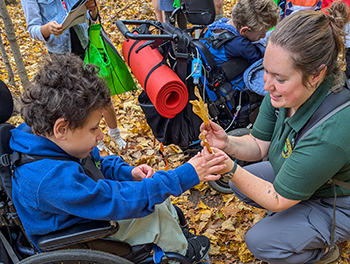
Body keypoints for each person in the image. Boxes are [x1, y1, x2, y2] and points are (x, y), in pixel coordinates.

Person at [10, 53, 230, 263]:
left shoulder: (47, 138)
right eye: (94, 128)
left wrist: (127, 172)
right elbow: (109, 199)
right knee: (154, 215)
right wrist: (185, 175)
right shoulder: (47, 178)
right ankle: (180, 255)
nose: (100, 135)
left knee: (154, 193)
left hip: (86, 210)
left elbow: (95, 164)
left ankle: (177, 238)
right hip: (77, 235)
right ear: (62, 128)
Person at [200, 8, 350, 264]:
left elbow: (278, 199)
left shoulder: (332, 130)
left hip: (336, 201)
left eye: (278, 78)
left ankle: (322, 250)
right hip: (310, 181)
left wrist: (231, 168)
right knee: (240, 182)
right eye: (266, 70)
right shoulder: (284, 92)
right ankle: (298, 217)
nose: (267, 84)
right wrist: (227, 143)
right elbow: (258, 145)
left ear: (316, 75)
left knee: (261, 242)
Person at [21, 0, 127, 151]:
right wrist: (48, 29)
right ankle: (96, 143)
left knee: (102, 95)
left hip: (86, 46)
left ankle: (115, 133)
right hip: (61, 54)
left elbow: (91, 17)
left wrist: (93, 11)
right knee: (80, 103)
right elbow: (33, 29)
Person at [202, 0, 280, 91]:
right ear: (244, 31)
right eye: (261, 33)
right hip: (232, 86)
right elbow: (260, 58)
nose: (263, 36)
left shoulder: (218, 25)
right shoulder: (242, 45)